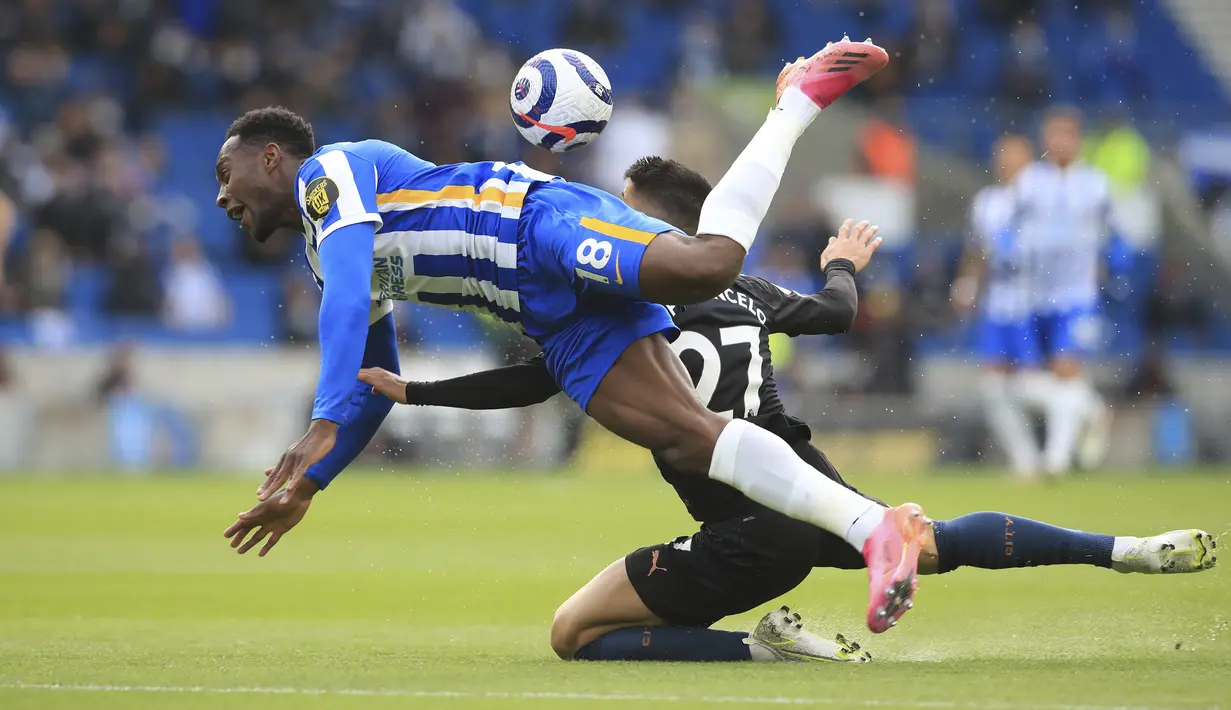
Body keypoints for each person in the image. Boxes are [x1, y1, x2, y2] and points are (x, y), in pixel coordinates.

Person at [358, 157, 1218, 663]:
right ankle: (1126, 550)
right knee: (929, 538)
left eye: (621, 208)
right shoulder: (744, 283)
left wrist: (418, 391)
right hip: (813, 484)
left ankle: (757, 646)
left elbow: (536, 379)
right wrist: (841, 262)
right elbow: (839, 313)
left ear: (643, 222)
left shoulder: (610, 303)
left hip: (745, 524)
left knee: (572, 633)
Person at [218, 39, 931, 634]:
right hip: (550, 316)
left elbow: (347, 298)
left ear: (273, 157)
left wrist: (318, 423)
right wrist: (313, 479)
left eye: (229, 172)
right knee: (688, 435)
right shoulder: (323, 256)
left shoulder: (329, 173)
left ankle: (795, 102)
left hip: (535, 226)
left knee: (709, 265)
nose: (221, 194)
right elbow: (371, 388)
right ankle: (876, 532)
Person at [1010, 107, 1113, 476]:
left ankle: (1055, 460)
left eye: (1067, 134)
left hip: (1076, 295)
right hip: (1036, 296)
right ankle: (1092, 410)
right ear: (1045, 139)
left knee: (1067, 369)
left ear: (1078, 139)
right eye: (1054, 134)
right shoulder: (1029, 182)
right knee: (1031, 380)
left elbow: (1111, 235)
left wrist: (1109, 265)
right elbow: (1010, 232)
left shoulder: (1096, 184)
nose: (1060, 142)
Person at [952, 134, 1042, 476]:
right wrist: (967, 285)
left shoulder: (1042, 197)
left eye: (1013, 154)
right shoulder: (987, 202)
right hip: (998, 306)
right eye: (1000, 154)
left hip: (1035, 305)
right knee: (992, 388)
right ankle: (1026, 459)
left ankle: (1082, 407)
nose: (1005, 161)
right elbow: (976, 250)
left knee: (1033, 386)